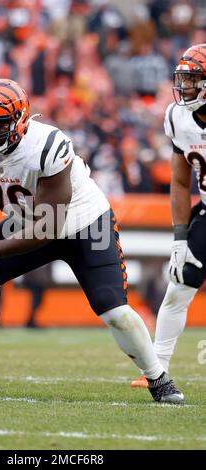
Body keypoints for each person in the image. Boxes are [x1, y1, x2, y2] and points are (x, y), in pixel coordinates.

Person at [0, 78, 183, 403]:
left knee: (113, 310)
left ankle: (159, 379)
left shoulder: (48, 145)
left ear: (21, 121)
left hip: (83, 222)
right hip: (28, 221)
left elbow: (48, 227)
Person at [131, 44, 206, 388]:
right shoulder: (178, 116)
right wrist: (179, 238)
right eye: (184, 79)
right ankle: (156, 370)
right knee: (179, 282)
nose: (184, 87)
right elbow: (179, 179)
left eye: (192, 80)